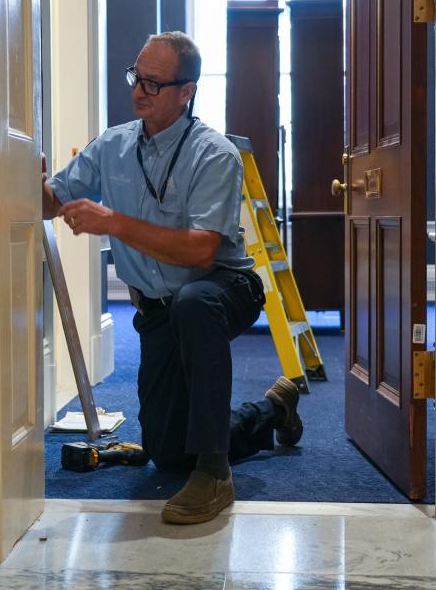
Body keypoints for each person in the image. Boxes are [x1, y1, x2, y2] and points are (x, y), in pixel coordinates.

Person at [43, 31, 303, 525]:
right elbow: (50, 200)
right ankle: (272, 410)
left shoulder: (215, 154)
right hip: (157, 307)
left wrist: (114, 222)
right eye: (135, 77)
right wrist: (25, 181)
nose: (138, 90)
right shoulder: (112, 145)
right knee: (167, 452)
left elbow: (203, 252)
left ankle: (215, 473)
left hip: (224, 288)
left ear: (186, 92)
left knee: (194, 302)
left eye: (153, 83)